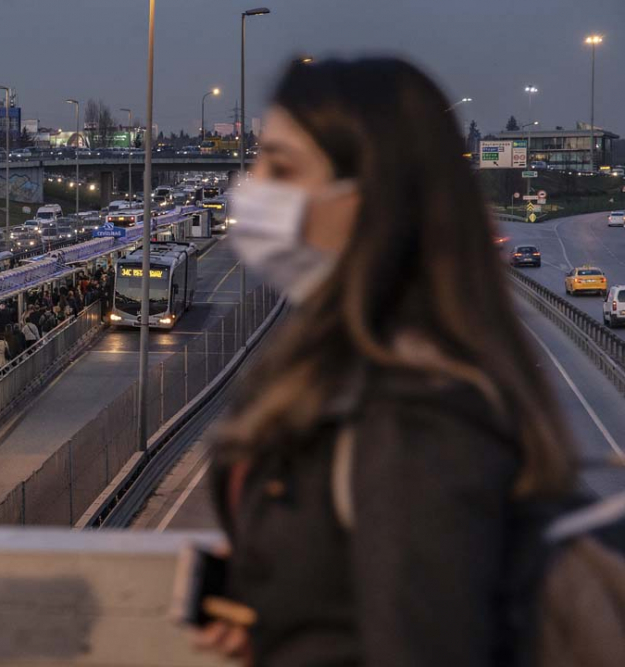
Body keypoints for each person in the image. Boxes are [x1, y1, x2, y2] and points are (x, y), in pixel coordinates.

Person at [195, 57, 576, 666]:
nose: (251, 186)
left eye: (281, 167)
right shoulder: (337, 361)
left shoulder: (417, 423)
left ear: (371, 201)